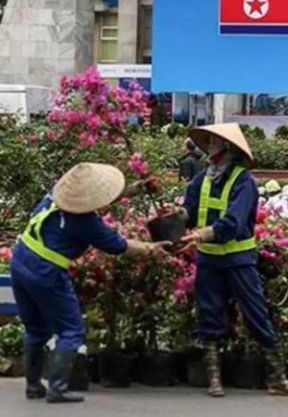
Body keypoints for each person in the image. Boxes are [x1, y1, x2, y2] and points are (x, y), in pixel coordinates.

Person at [11, 163, 169, 403]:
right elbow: (118, 245)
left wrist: (134, 190)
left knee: (36, 329)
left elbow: (90, 200)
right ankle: (58, 388)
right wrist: (150, 248)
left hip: (21, 262)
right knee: (71, 330)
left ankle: (33, 386)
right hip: (46, 272)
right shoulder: (85, 222)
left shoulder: (56, 195)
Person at [178, 123, 288, 398]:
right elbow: (189, 209)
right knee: (209, 316)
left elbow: (233, 222)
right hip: (209, 261)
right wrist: (177, 217)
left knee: (256, 313)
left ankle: (277, 378)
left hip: (238, 260)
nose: (209, 146)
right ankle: (214, 380)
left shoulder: (244, 182)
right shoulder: (201, 180)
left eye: (214, 142)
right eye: (209, 141)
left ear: (228, 149)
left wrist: (200, 234)